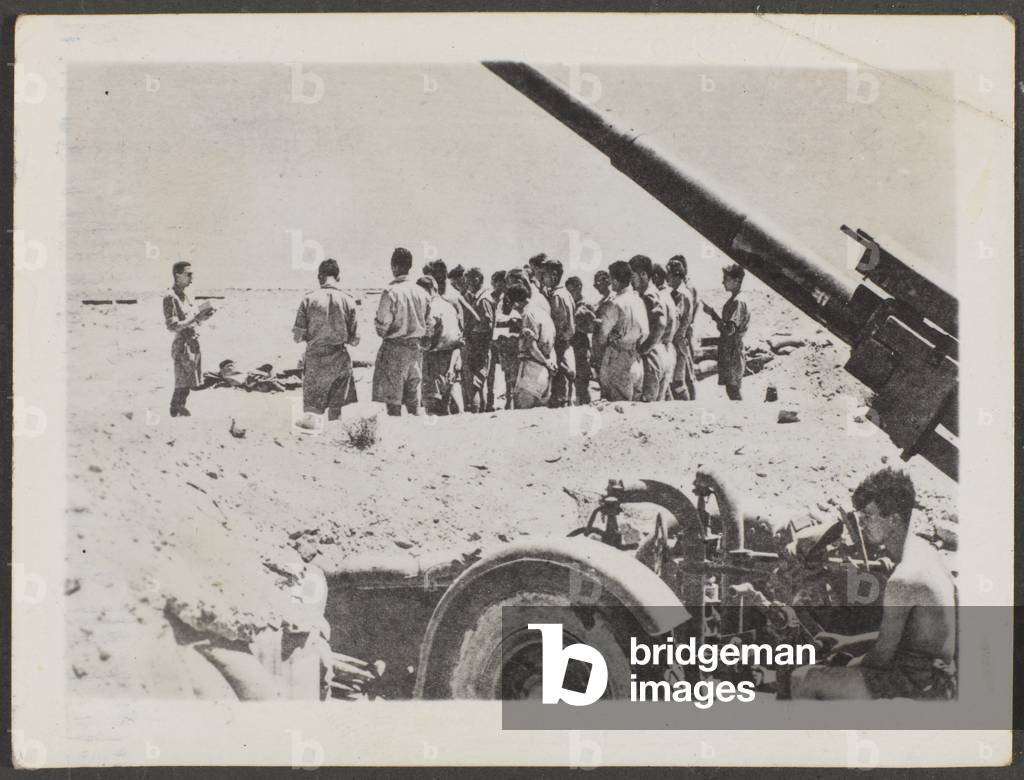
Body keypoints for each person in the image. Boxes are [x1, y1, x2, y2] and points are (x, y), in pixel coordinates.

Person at [790, 468, 957, 701]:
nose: (862, 523)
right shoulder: (927, 554)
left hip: (918, 686)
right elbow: (909, 640)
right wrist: (847, 642)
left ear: (894, 520)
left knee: (804, 679)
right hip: (937, 678)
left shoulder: (904, 578)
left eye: (869, 515)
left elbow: (882, 658)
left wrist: (842, 662)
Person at [291, 259, 360, 428]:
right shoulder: (349, 300)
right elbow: (355, 340)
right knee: (336, 415)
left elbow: (297, 337)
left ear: (319, 277)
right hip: (340, 360)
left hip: (315, 360)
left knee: (312, 416)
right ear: (338, 277)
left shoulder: (308, 299)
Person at [372, 247, 430, 416]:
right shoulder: (422, 293)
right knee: (413, 401)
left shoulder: (390, 292)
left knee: (393, 403)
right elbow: (429, 324)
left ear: (394, 266)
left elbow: (382, 327)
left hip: (394, 351)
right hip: (415, 351)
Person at [163, 261, 215, 417]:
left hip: (191, 341)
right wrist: (195, 319)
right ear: (178, 275)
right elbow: (172, 325)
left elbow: (190, 317)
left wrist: (202, 317)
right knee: (182, 379)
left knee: (189, 378)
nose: (192, 277)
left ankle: (179, 408)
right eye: (188, 274)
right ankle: (176, 408)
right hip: (182, 344)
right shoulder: (170, 297)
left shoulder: (185, 295)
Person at [592, 260, 648, 401]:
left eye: (610, 278)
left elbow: (602, 336)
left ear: (616, 281)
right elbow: (645, 332)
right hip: (635, 358)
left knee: (617, 408)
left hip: (617, 359)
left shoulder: (615, 303)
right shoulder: (638, 300)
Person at [702, 263, 750, 400]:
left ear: (736, 281)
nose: (723, 282)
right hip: (731, 350)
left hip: (733, 352)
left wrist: (713, 315)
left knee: (733, 389)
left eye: (726, 278)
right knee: (732, 389)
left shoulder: (738, 302)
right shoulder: (736, 300)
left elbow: (729, 330)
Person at [418, 275, 463, 415]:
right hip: (451, 357)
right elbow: (458, 337)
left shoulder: (429, 308)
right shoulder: (449, 306)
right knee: (450, 404)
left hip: (434, 359)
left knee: (432, 407)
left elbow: (427, 338)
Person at [507, 283, 555, 410]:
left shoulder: (527, 314)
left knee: (522, 415)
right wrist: (549, 363)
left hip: (532, 369)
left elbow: (532, 347)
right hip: (544, 369)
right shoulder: (543, 313)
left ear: (515, 303)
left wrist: (546, 363)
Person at [629, 254, 670, 403]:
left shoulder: (648, 295)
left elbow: (661, 323)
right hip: (661, 351)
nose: (630, 281)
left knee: (647, 404)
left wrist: (644, 349)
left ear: (643, 274)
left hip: (651, 357)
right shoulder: (658, 292)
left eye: (632, 276)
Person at [460, 267, 495, 413]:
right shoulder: (479, 297)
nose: (466, 283)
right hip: (478, 344)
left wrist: (470, 330)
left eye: (468, 280)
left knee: (475, 382)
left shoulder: (484, 299)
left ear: (477, 280)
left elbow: (487, 323)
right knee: (477, 382)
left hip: (479, 345)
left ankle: (476, 410)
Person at [543, 259, 576, 408]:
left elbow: (557, 325)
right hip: (566, 343)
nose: (543, 279)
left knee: (561, 382)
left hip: (560, 344)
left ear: (554, 276)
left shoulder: (557, 296)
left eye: (546, 275)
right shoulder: (565, 293)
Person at [666, 255, 699, 401]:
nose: (667, 279)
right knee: (685, 377)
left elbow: (677, 318)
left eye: (670, 275)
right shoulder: (680, 292)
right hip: (681, 339)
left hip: (679, 340)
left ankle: (690, 406)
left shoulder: (682, 294)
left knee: (680, 381)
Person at [566, 276, 597, 405]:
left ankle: (585, 405)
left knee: (582, 380)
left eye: (572, 290)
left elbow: (592, 327)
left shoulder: (586, 304)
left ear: (579, 288)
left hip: (581, 345)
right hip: (573, 344)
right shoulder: (570, 303)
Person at [651, 262, 678, 401]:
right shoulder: (668, 296)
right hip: (668, 350)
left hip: (659, 350)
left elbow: (659, 326)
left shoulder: (658, 297)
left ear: (655, 277)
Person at [485, 270, 508, 412]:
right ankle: (490, 401)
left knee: (504, 371)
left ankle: (502, 400)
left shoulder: (506, 299)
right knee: (491, 372)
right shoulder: (491, 298)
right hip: (491, 340)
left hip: (502, 339)